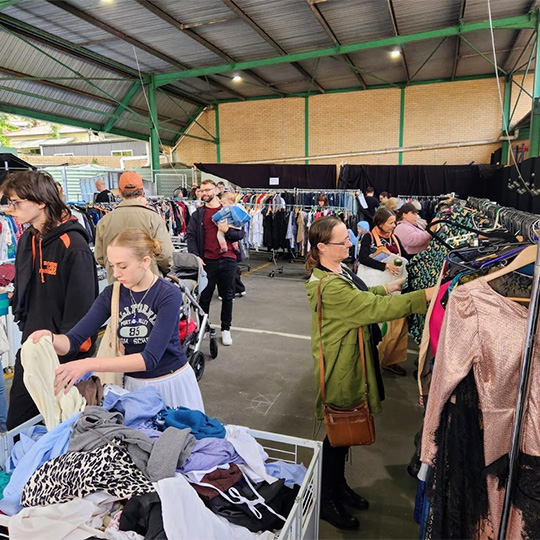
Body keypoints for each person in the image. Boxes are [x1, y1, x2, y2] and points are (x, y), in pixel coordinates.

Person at [305, 216, 433, 530]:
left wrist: (386, 288)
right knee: (337, 433)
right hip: (341, 366)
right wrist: (423, 297)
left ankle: (338, 487)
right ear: (322, 247)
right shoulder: (328, 284)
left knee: (342, 433)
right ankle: (326, 498)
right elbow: (368, 309)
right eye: (342, 241)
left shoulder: (338, 270)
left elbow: (362, 299)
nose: (350, 243)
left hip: (351, 358)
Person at [29, 228, 204, 411]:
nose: (117, 273)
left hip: (169, 386)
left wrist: (88, 364)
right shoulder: (112, 294)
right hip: (133, 387)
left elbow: (150, 359)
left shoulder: (168, 294)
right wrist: (51, 338)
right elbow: (73, 340)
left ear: (145, 262)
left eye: (123, 266)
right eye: (112, 266)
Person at [4, 171, 98, 429]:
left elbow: (84, 308)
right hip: (32, 346)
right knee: (19, 425)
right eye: (9, 202)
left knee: (62, 425)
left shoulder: (73, 245)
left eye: (16, 203)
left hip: (64, 353)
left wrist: (71, 352)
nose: (10, 209)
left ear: (41, 201)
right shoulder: (28, 238)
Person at [186, 179, 245, 346]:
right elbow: (190, 236)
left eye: (208, 190)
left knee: (227, 296)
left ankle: (226, 329)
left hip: (228, 259)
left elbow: (240, 235)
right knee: (204, 297)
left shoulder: (229, 210)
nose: (205, 193)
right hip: (207, 261)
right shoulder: (198, 214)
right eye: (202, 190)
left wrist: (227, 231)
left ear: (216, 191)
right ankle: (203, 327)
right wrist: (195, 255)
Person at [94, 171, 174, 284]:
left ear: (120, 193)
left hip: (118, 285)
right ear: (142, 192)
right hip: (149, 284)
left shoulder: (104, 221)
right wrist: (162, 271)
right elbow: (165, 255)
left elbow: (100, 257)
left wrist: (119, 267)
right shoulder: (153, 219)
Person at [357, 208, 409, 376]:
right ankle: (369, 360)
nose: (394, 226)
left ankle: (390, 360)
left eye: (394, 222)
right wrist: (385, 265)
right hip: (375, 287)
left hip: (395, 288)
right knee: (376, 325)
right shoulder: (369, 237)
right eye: (391, 223)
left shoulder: (395, 238)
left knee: (397, 325)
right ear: (380, 223)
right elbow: (362, 258)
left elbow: (406, 255)